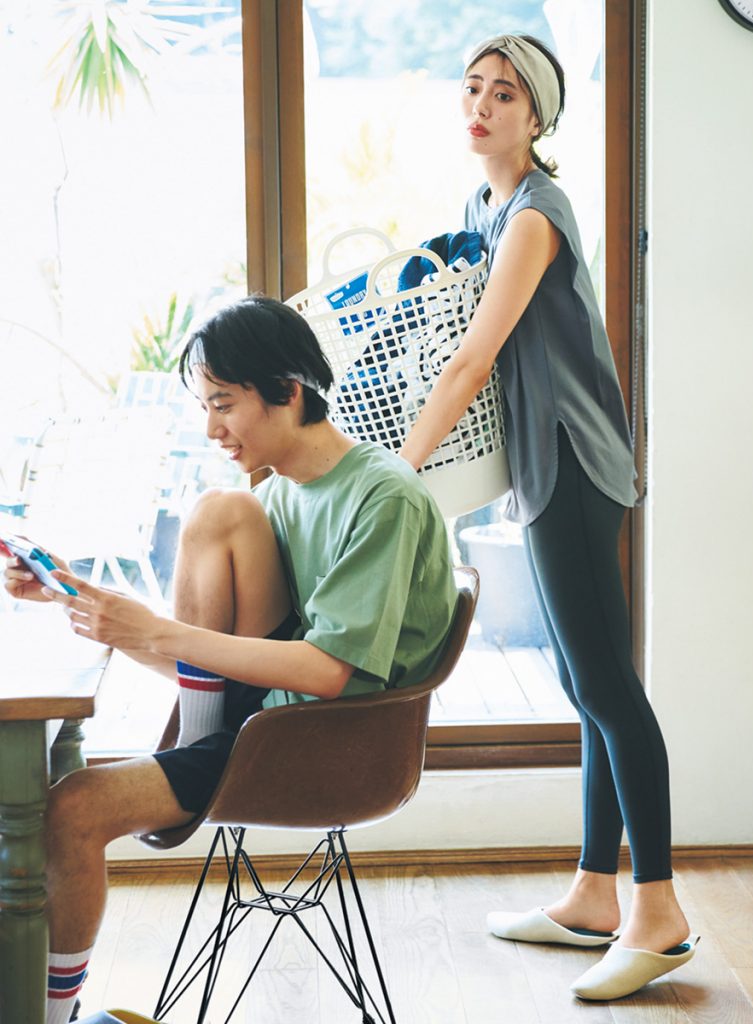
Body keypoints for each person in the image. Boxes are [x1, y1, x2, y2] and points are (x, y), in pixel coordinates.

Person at [2, 295, 457, 1024]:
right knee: (219, 510)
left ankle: (51, 1020)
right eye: (204, 405)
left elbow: (326, 673)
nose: (210, 427)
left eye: (224, 403)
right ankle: (205, 743)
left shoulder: (383, 496)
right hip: (258, 721)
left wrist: (156, 631)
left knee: (72, 809)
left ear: (289, 389)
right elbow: (210, 665)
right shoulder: (273, 497)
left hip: (328, 742)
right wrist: (73, 597)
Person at [397, 34, 697, 1001]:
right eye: (473, 89)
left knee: (608, 685)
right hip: (544, 466)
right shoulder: (484, 209)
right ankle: (592, 895)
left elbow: (472, 360)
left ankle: (659, 913)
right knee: (584, 679)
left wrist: (399, 469)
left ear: (539, 117)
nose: (481, 106)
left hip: (574, 462)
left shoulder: (533, 216)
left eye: (506, 94)